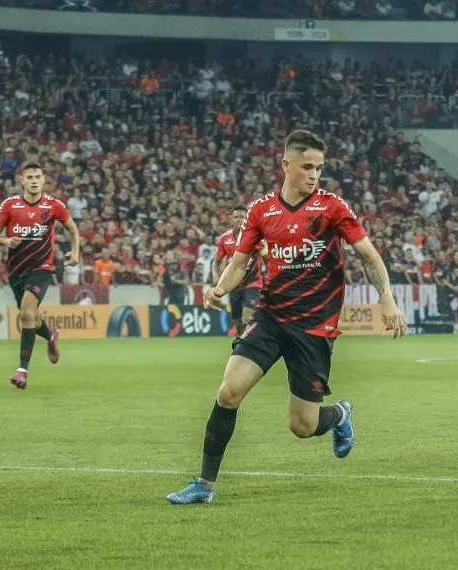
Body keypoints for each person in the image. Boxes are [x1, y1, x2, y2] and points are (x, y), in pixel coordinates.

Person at [167, 130, 408, 505]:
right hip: (271, 316)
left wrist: (387, 299)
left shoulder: (332, 208)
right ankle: (204, 484)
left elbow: (369, 255)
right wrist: (219, 289)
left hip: (314, 326)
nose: (314, 174)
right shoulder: (261, 211)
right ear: (286, 165)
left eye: (319, 168)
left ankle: (339, 415)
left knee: (302, 426)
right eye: (307, 166)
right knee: (228, 392)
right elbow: (240, 262)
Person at [0, 162, 80, 389]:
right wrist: (6, 240)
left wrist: (75, 252)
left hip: (41, 269)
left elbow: (73, 229)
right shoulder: (10, 205)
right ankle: (50, 336)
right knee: (32, 318)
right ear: (22, 180)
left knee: (26, 315)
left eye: (38, 176)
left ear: (43, 179)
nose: (34, 181)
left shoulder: (53, 205)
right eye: (29, 177)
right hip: (16, 272)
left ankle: (22, 371)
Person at [214, 205, 267, 333]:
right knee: (237, 322)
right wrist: (216, 276)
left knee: (247, 317)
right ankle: (241, 345)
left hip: (253, 282)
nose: (239, 220)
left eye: (242, 217)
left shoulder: (256, 238)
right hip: (234, 284)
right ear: (231, 220)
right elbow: (217, 261)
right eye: (236, 217)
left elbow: (268, 258)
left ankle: (249, 348)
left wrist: (273, 276)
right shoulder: (224, 240)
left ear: (247, 219)